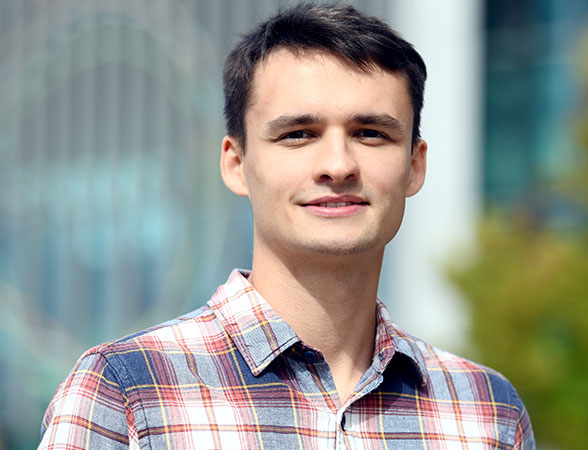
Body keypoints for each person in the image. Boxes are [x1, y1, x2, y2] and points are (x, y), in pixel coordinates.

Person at [38, 3, 535, 449]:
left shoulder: (486, 413)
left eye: (371, 133)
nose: (338, 165)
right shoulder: (126, 393)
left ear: (415, 165)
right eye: (299, 134)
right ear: (236, 163)